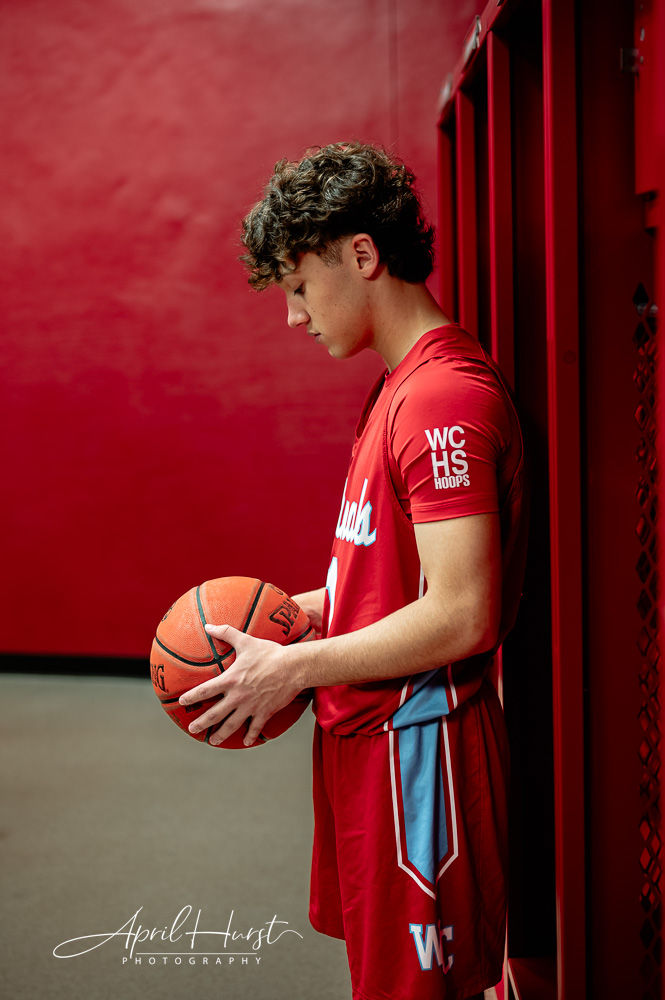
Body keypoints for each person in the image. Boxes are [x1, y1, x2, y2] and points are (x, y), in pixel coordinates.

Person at [179, 142, 528, 1000]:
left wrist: (291, 666)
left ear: (363, 256)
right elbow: (389, 581)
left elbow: (461, 614)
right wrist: (275, 626)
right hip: (368, 742)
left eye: (299, 286)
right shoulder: (395, 391)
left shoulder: (443, 399)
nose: (293, 316)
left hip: (422, 753)